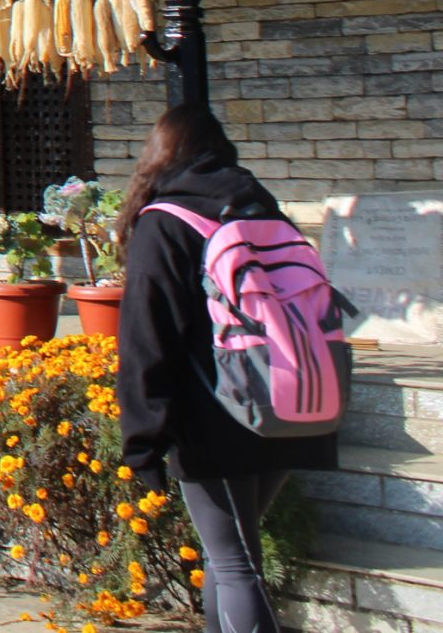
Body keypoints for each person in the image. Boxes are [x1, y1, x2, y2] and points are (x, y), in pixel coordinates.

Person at [115, 103, 337, 633]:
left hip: (218, 411)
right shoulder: (261, 209)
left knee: (235, 562)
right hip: (292, 395)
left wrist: (143, 440)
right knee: (229, 554)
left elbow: (147, 338)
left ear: (160, 152)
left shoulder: (165, 223)